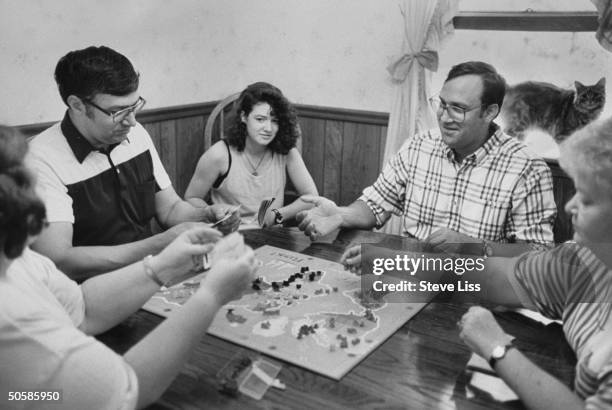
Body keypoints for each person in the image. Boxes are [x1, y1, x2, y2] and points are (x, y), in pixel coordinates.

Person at [348, 116, 612, 408]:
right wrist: (388, 261)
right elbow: (484, 276)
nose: (569, 206)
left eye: (586, 200)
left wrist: (497, 348)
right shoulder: (582, 260)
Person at [0, 124, 257, 409]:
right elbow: (128, 389)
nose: (41, 203)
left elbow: (83, 307)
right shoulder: (15, 322)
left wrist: (163, 265)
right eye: (32, 190)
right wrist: (211, 296)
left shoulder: (19, 259)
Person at [297, 61, 556, 258]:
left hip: (478, 290)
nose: (444, 117)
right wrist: (340, 215)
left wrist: (474, 246)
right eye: (442, 104)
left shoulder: (527, 169)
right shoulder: (419, 146)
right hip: (411, 276)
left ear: (490, 112)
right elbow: (375, 205)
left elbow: (539, 255)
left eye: (458, 108)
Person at [27, 46, 238, 281]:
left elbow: (170, 209)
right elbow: (61, 260)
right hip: (88, 292)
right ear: (77, 105)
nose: (132, 121)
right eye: (118, 111)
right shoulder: (40, 159)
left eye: (135, 106)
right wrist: (158, 244)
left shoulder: (135, 134)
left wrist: (206, 215)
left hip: (151, 274)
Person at [184, 82, 318, 227]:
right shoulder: (219, 154)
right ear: (244, 117)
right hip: (230, 236)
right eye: (260, 119)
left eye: (275, 121)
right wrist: (214, 213)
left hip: (272, 235)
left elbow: (312, 197)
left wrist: (277, 215)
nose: (268, 128)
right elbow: (191, 198)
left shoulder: (286, 152)